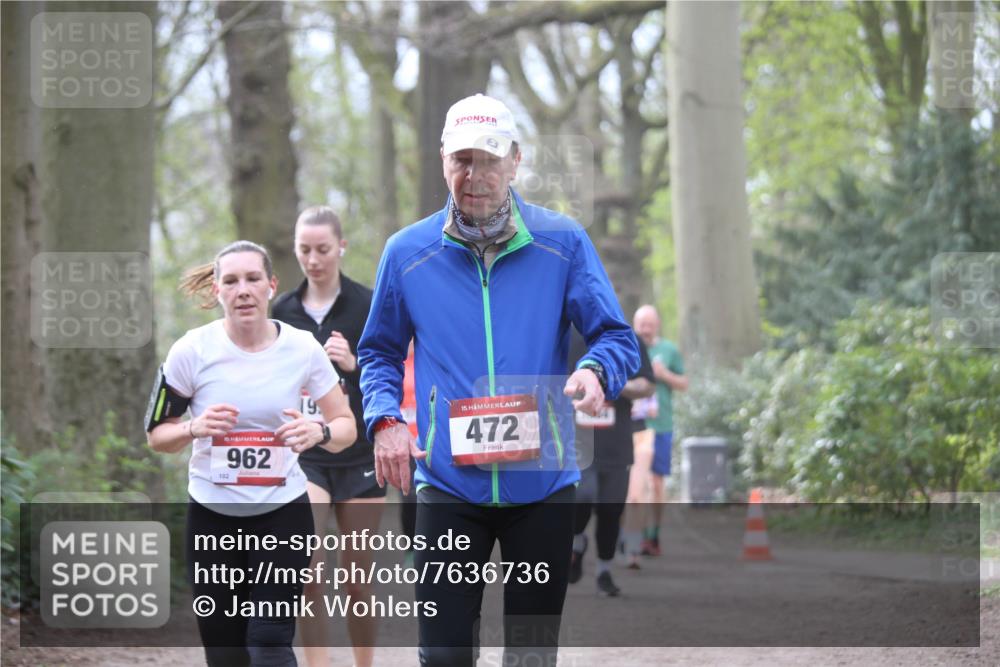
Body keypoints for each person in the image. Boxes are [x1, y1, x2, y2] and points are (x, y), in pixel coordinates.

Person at [357, 93, 640, 666]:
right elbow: (379, 353)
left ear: (515, 160)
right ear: (442, 161)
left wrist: (594, 370)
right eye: (462, 160)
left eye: (488, 160)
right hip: (447, 483)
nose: (475, 175)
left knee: (531, 657)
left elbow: (617, 337)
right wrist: (385, 419)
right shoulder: (407, 252)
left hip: (541, 486)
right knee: (442, 655)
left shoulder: (562, 242)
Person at [145, 240, 356, 667]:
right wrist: (192, 427)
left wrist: (319, 430)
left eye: (252, 279)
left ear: (270, 286)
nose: (243, 289)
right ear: (218, 291)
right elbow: (156, 436)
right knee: (226, 651)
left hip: (283, 514)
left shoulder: (302, 348)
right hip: (212, 516)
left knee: (269, 640)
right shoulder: (192, 350)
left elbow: (346, 426)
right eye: (231, 281)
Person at [270, 207, 382, 667]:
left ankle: (364, 663)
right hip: (307, 456)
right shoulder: (282, 312)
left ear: (341, 248)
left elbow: (393, 371)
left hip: (360, 455)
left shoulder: (367, 303)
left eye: (322, 249)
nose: (313, 259)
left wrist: (355, 364)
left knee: (357, 578)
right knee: (309, 569)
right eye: (304, 250)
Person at [567, 329, 654, 596]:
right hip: (577, 441)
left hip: (615, 442)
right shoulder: (566, 336)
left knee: (611, 509)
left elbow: (647, 384)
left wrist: (620, 385)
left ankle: (604, 570)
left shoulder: (627, 338)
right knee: (583, 495)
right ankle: (577, 541)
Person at [632, 304, 687, 556]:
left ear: (657, 326)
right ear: (635, 325)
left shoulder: (669, 350)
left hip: (662, 423)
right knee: (637, 483)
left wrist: (664, 374)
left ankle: (655, 532)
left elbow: (684, 383)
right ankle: (639, 536)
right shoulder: (628, 348)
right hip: (636, 426)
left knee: (656, 482)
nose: (645, 329)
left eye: (649, 324)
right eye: (641, 324)